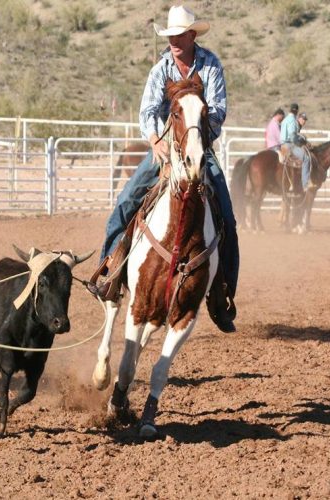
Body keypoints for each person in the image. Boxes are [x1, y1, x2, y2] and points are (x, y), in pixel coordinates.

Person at [90, 4, 238, 333]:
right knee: (127, 201)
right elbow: (147, 110)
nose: (172, 40)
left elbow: (218, 111)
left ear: (190, 35)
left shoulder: (211, 65)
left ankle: (222, 294)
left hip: (199, 146)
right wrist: (156, 141)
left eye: (177, 35)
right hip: (163, 148)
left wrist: (197, 137)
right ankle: (110, 274)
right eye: (169, 35)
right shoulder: (161, 69)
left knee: (226, 216)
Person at [280, 103, 311, 190]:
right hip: (289, 145)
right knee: (306, 159)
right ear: (297, 112)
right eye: (303, 119)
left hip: (282, 144)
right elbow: (293, 137)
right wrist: (302, 142)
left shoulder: (285, 119)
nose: (304, 121)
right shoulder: (293, 121)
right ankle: (305, 184)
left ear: (290, 109)